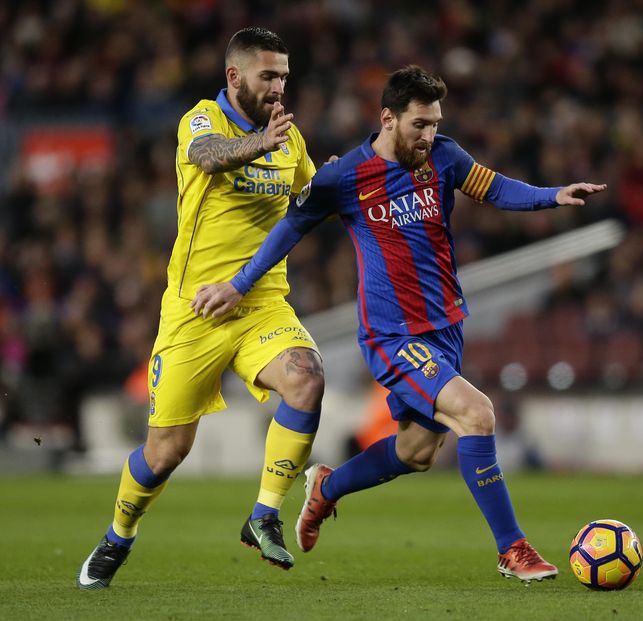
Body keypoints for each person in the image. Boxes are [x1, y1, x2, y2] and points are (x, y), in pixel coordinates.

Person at [191, 65, 607, 583]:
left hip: (447, 328)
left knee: (414, 453)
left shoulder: (445, 157)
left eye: (435, 124)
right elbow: (290, 228)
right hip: (393, 337)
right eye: (419, 125)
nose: (429, 136)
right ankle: (513, 549)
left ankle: (327, 487)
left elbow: (494, 188)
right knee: (477, 414)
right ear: (388, 119)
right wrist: (240, 284)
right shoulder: (344, 177)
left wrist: (553, 194)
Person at [77, 27, 326, 589]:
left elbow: (314, 200)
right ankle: (119, 535)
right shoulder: (201, 121)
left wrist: (353, 179)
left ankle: (264, 514)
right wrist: (260, 143)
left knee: (307, 379)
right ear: (234, 76)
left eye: (284, 76)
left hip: (261, 302)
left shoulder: (292, 140)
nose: (278, 86)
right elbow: (207, 157)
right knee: (166, 451)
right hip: (195, 311)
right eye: (268, 75)